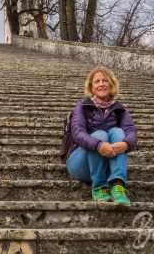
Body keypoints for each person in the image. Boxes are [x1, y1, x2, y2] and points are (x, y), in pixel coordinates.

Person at [65, 66, 138, 206]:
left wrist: (126, 144)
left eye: (105, 81)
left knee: (117, 132)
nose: (101, 84)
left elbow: (131, 132)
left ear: (111, 85)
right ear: (91, 87)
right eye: (97, 81)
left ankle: (117, 185)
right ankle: (99, 187)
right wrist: (98, 145)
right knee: (100, 134)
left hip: (106, 163)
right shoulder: (82, 106)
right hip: (80, 163)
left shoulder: (120, 110)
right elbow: (77, 133)